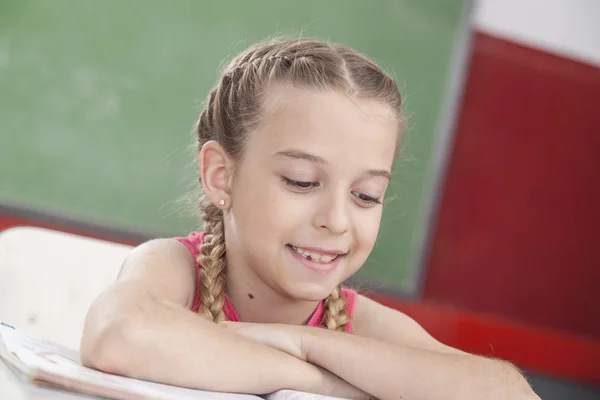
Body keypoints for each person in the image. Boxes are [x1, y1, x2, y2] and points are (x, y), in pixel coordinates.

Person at [81, 37, 539, 400]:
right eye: (301, 182)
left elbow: (508, 394)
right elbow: (116, 334)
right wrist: (322, 381)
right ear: (222, 176)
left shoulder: (359, 324)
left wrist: (303, 344)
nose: (337, 220)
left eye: (365, 195)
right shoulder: (177, 270)